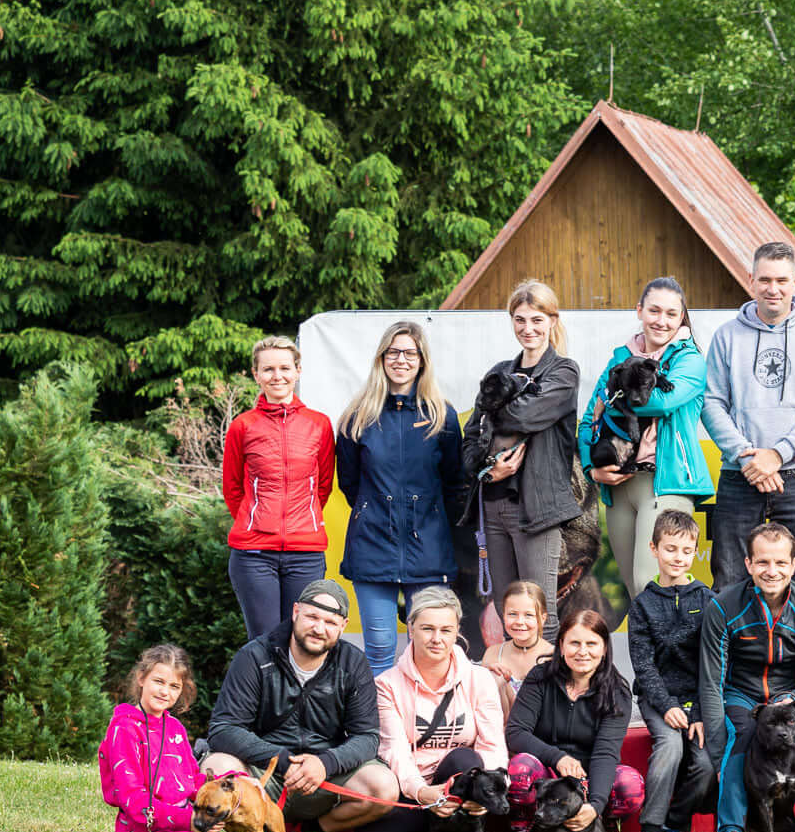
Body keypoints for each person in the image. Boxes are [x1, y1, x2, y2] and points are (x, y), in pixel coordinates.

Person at [203, 580, 397, 832]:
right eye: (312, 617)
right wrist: (280, 760)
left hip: (323, 775)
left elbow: (367, 737)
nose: (319, 628)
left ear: (343, 626)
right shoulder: (255, 656)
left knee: (384, 787)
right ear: (295, 612)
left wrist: (325, 763)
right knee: (217, 764)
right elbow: (223, 728)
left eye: (330, 622)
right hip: (263, 774)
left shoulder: (353, 663)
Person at [700, 242, 795, 587]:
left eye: (781, 280)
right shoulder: (726, 336)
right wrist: (749, 458)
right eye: (765, 280)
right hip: (739, 475)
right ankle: (735, 644)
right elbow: (711, 403)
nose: (773, 289)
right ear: (751, 280)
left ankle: (792, 645)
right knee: (730, 581)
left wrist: (777, 455)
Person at [335, 321, 471, 674]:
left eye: (410, 353)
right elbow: (351, 483)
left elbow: (454, 483)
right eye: (393, 352)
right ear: (381, 358)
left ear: (422, 361)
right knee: (379, 649)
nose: (401, 360)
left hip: (427, 547)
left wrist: (427, 519)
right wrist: (375, 511)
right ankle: (383, 729)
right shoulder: (357, 416)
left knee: (428, 648)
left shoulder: (442, 416)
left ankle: (423, 726)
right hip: (372, 546)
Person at [699, 522, 795, 832]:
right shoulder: (723, 606)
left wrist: (791, 700)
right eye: (762, 562)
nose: (771, 571)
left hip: (791, 697)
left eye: (779, 563)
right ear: (748, 564)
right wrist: (718, 745)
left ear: (793, 564)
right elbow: (711, 680)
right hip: (741, 695)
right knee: (740, 742)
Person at [579, 277, 712, 610]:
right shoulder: (619, 358)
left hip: (665, 482)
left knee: (650, 585)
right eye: (654, 310)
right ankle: (648, 665)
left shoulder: (690, 360)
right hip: (619, 485)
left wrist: (613, 394)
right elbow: (586, 421)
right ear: (639, 310)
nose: (661, 321)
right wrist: (590, 469)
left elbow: (661, 403)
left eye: (671, 313)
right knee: (635, 595)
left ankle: (679, 663)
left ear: (682, 317)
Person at [462, 280, 581, 644]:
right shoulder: (500, 369)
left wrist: (494, 408)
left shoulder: (563, 372)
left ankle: (545, 698)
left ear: (552, 320)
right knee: (505, 610)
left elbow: (525, 418)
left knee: (537, 613)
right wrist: (487, 470)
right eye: (519, 319)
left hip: (536, 511)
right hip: (492, 505)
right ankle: (511, 694)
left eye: (536, 319)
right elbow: (470, 439)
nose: (528, 328)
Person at [350, 588, 508, 832]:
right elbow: (394, 751)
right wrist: (421, 792)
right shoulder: (387, 685)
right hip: (414, 791)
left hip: (460, 788)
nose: (437, 639)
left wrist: (489, 791)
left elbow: (492, 744)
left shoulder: (479, 678)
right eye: (427, 629)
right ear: (411, 628)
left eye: (446, 630)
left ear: (457, 630)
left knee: (463, 760)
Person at [99, 645, 255, 832]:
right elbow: (132, 799)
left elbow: (193, 781)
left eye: (174, 686)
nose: (165, 692)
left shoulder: (175, 728)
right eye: (159, 682)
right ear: (141, 678)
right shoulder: (124, 729)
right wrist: (189, 820)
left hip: (187, 827)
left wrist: (234, 784)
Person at [221, 335, 335, 640]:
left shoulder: (319, 424)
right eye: (268, 369)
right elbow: (232, 488)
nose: (277, 376)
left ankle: (297, 692)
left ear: (298, 371)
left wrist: (300, 520)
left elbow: (322, 486)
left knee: (302, 639)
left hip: (305, 553)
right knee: (265, 641)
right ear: (256, 375)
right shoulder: (243, 426)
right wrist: (255, 521)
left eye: (285, 368)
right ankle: (265, 691)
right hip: (254, 554)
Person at [505, 610, 646, 832]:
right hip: (547, 774)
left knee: (630, 785)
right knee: (520, 768)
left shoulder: (617, 691)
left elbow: (606, 752)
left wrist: (596, 804)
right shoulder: (540, 677)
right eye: (574, 643)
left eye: (592, 644)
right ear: (561, 646)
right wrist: (557, 757)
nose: (583, 651)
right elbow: (516, 732)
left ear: (604, 649)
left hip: (588, 777)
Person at [627, 511, 717, 832]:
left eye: (686, 550)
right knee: (670, 748)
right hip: (657, 697)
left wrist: (697, 708)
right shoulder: (643, 605)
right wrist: (667, 706)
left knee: (707, 763)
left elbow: (710, 662)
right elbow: (643, 665)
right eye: (670, 549)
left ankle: (675, 827)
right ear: (654, 549)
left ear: (695, 552)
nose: (678, 557)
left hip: (697, 699)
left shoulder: (707, 599)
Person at [478, 582, 554, 717]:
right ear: (503, 615)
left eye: (528, 615)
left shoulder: (552, 655)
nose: (519, 621)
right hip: (500, 731)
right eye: (512, 614)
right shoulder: (493, 653)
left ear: (542, 618)